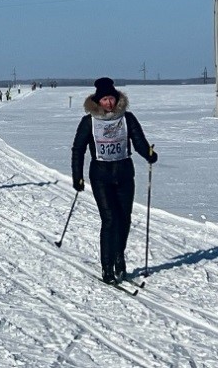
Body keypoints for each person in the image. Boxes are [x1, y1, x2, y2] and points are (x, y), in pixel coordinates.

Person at [71, 77, 157, 284]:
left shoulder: (127, 118)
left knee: (124, 219)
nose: (109, 103)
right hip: (101, 176)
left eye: (111, 98)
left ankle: (119, 256)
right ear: (97, 101)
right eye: (105, 99)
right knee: (110, 221)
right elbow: (78, 150)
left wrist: (149, 154)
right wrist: (77, 177)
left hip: (125, 174)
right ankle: (107, 267)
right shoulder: (89, 122)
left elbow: (139, 142)